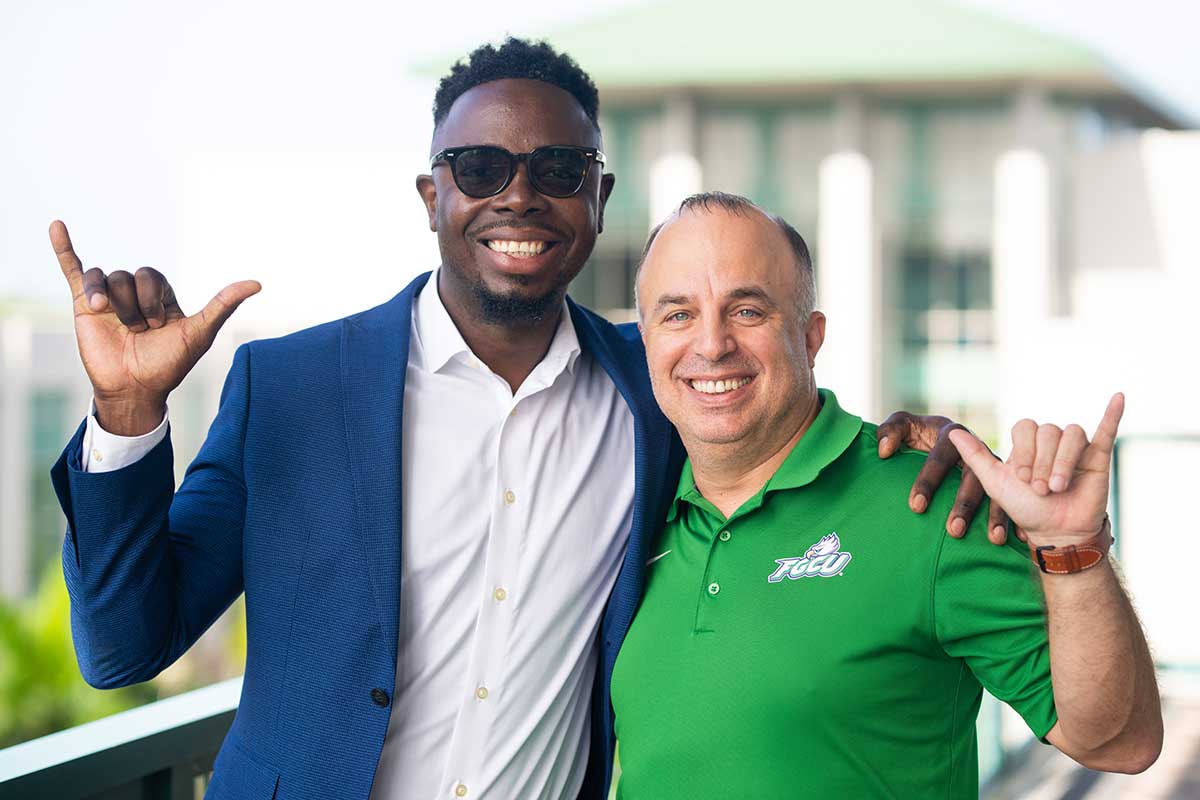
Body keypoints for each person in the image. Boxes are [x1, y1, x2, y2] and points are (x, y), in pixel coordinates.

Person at [52, 40, 1005, 800]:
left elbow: (777, 414)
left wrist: (924, 442)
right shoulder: (289, 389)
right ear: (433, 197)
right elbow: (124, 647)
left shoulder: (661, 392)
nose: (519, 194)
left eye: (556, 167)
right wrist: (129, 413)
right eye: (479, 166)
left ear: (597, 200)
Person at [612, 191, 1163, 799]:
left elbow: (1122, 741)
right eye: (678, 314)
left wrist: (1073, 550)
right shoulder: (631, 508)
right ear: (645, 341)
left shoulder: (933, 508)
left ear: (811, 335)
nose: (711, 345)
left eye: (747, 311)